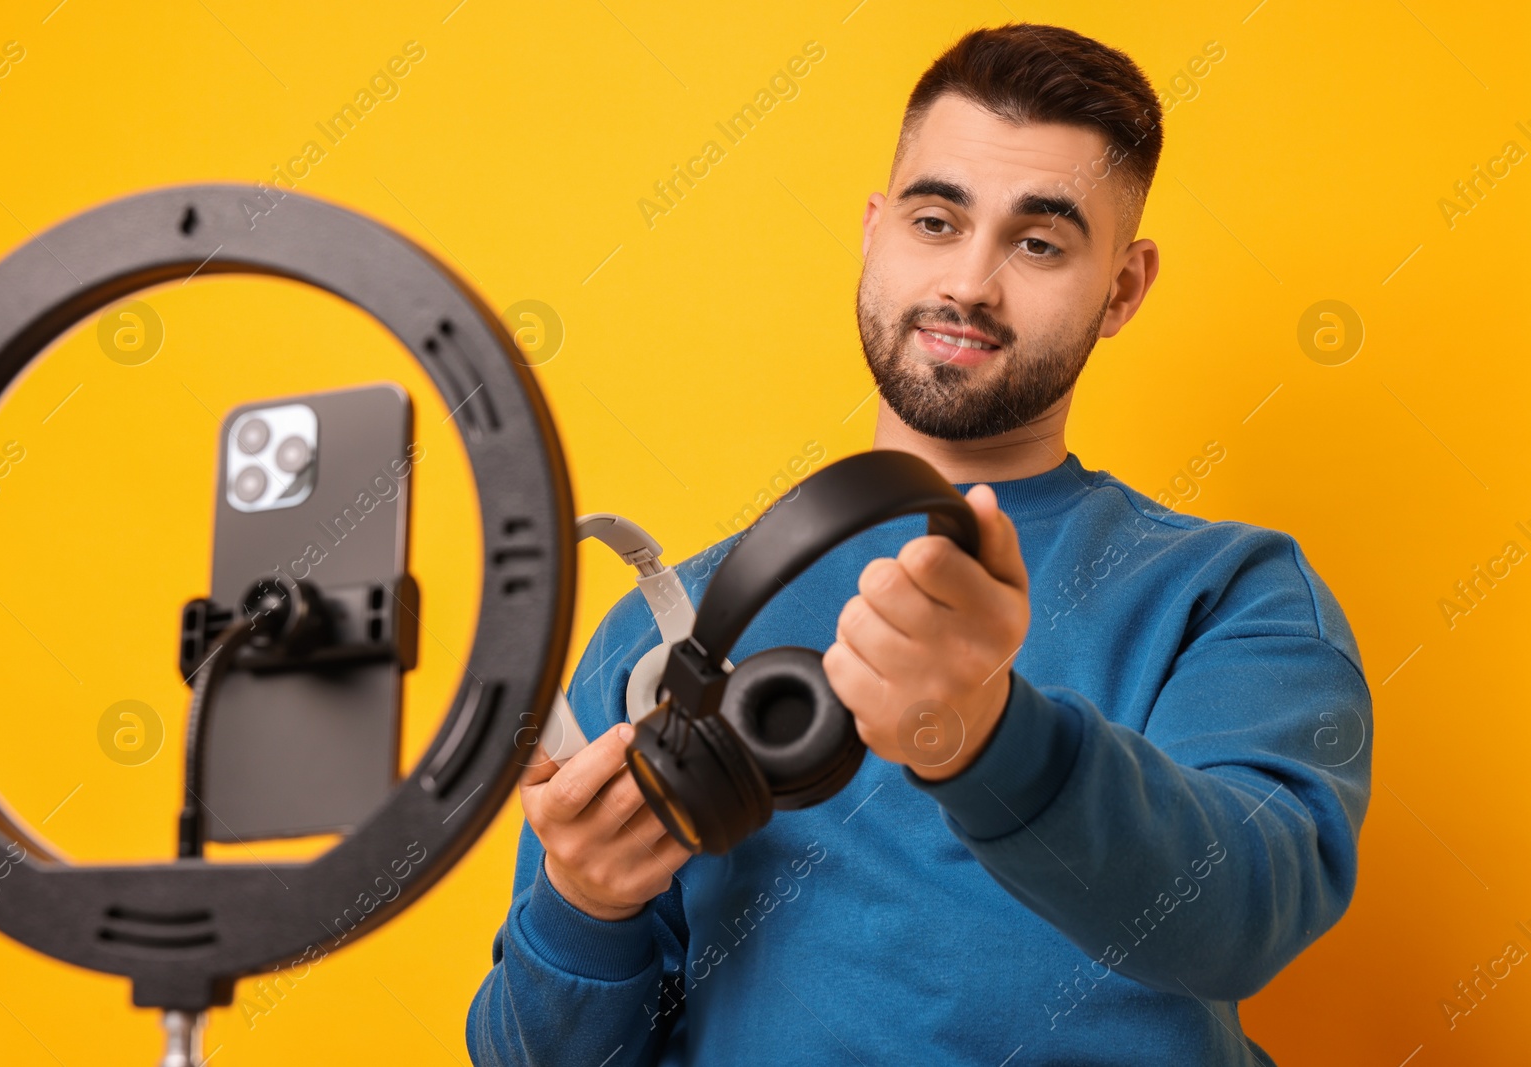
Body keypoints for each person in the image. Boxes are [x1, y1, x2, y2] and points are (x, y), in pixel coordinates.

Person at [467, 22, 1371, 1066]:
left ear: (1121, 287)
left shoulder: (1231, 592)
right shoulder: (666, 633)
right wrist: (582, 905)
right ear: (872, 230)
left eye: (1038, 241)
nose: (970, 284)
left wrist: (986, 736)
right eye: (935, 220)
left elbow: (1244, 912)